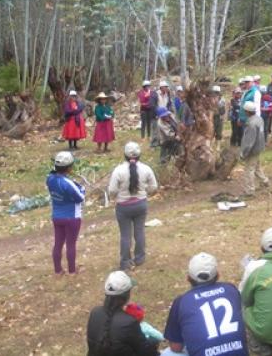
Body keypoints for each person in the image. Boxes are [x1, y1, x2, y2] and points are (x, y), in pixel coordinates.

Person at [163, 253, 248, 356]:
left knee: (167, 353)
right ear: (218, 275)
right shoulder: (231, 290)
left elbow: (176, 347)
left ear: (188, 277)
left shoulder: (181, 301)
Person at [108, 142, 158, 271]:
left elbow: (112, 191)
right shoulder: (146, 169)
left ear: (124, 155)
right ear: (139, 155)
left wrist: (117, 197)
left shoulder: (118, 170)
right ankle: (140, 258)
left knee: (125, 235)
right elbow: (154, 187)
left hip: (123, 206)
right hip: (140, 204)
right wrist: (144, 191)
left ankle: (125, 261)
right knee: (139, 231)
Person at [86, 271, 159, 356]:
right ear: (127, 295)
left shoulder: (95, 312)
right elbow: (145, 350)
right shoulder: (128, 322)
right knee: (153, 341)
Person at [47, 151, 84, 275]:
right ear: (69, 168)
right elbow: (80, 197)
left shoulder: (50, 179)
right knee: (71, 244)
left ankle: (58, 270)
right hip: (72, 217)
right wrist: (82, 189)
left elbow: (54, 177)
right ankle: (72, 271)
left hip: (57, 216)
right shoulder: (67, 183)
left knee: (58, 243)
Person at [240, 101, 268, 197]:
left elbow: (249, 142)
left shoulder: (251, 123)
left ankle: (249, 191)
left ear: (247, 111)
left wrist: (243, 153)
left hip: (253, 149)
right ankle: (265, 181)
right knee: (257, 167)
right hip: (259, 146)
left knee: (249, 169)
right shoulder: (259, 119)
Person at [211, 85, 226, 150]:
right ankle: (211, 145)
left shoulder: (222, 100)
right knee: (211, 132)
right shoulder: (210, 99)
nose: (216, 93)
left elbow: (223, 110)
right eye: (215, 92)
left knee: (219, 132)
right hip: (212, 117)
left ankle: (218, 146)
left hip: (219, 117)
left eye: (217, 92)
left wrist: (222, 117)